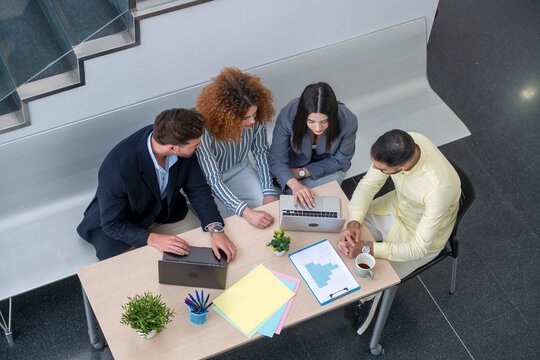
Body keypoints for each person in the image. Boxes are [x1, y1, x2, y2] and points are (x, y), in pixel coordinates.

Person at [337, 129, 461, 335]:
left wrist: (367, 247)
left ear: (403, 167)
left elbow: (417, 249)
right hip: (394, 207)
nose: (374, 169)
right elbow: (367, 185)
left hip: (417, 237)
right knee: (344, 231)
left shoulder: (438, 190)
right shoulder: (407, 141)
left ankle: (367, 304)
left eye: (381, 169)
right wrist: (353, 223)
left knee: (371, 274)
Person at [77, 108, 237, 261]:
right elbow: (112, 224)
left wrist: (216, 229)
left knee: (205, 251)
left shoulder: (178, 141)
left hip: (167, 213)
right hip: (126, 223)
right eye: (195, 145)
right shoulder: (116, 168)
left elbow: (198, 190)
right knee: (141, 271)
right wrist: (152, 239)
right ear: (172, 148)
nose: (199, 146)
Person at [195, 67, 278, 229]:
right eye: (246, 118)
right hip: (209, 181)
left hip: (240, 169)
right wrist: (246, 212)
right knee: (232, 223)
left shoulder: (256, 118)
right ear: (226, 116)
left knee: (269, 209)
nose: (253, 121)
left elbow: (260, 152)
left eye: (254, 115)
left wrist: (268, 191)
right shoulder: (202, 130)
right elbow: (213, 180)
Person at [268, 82, 358, 208]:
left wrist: (302, 173)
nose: (318, 128)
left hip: (325, 169)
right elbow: (277, 157)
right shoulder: (289, 114)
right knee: (274, 199)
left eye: (324, 121)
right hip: (290, 166)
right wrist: (295, 184)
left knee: (313, 205)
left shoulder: (348, 119)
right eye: (311, 121)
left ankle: (290, 195)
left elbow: (342, 160)